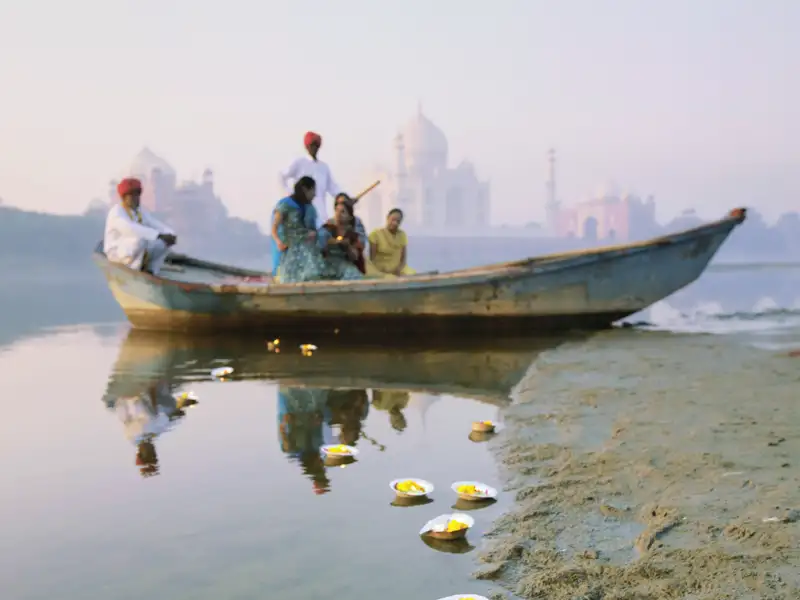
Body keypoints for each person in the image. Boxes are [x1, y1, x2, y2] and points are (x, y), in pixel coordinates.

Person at [103, 178, 177, 275]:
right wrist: (158, 235)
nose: (136, 198)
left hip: (132, 249)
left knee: (163, 243)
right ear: (124, 197)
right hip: (116, 252)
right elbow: (130, 229)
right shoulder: (116, 211)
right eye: (132, 195)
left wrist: (170, 234)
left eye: (137, 194)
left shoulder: (140, 212)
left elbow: (154, 223)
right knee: (139, 241)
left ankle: (151, 270)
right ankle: (134, 270)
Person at [279, 131, 341, 226]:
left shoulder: (323, 167)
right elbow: (281, 177)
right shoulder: (299, 162)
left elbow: (334, 188)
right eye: (312, 145)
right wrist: (290, 194)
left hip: (321, 217)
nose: (314, 147)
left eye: (316, 145)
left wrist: (344, 198)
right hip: (302, 215)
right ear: (306, 146)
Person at [272, 176, 328, 283]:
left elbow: (313, 228)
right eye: (313, 191)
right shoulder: (286, 204)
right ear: (305, 189)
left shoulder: (310, 207)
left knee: (312, 274)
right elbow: (274, 228)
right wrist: (278, 242)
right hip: (291, 248)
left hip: (308, 247)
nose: (314, 194)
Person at [317, 194, 366, 280]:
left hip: (344, 265)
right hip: (326, 264)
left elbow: (355, 256)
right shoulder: (326, 228)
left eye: (343, 212)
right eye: (337, 210)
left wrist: (347, 247)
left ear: (350, 217)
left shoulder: (353, 234)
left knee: (353, 275)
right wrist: (333, 242)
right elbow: (318, 246)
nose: (338, 214)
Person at [368, 208, 416, 277]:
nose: (395, 223)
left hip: (399, 269)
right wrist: (383, 270)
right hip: (381, 269)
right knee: (389, 278)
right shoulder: (375, 234)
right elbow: (372, 259)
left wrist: (399, 269)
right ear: (387, 218)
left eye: (398, 221)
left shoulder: (402, 235)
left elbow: (403, 259)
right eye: (393, 219)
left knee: (412, 275)